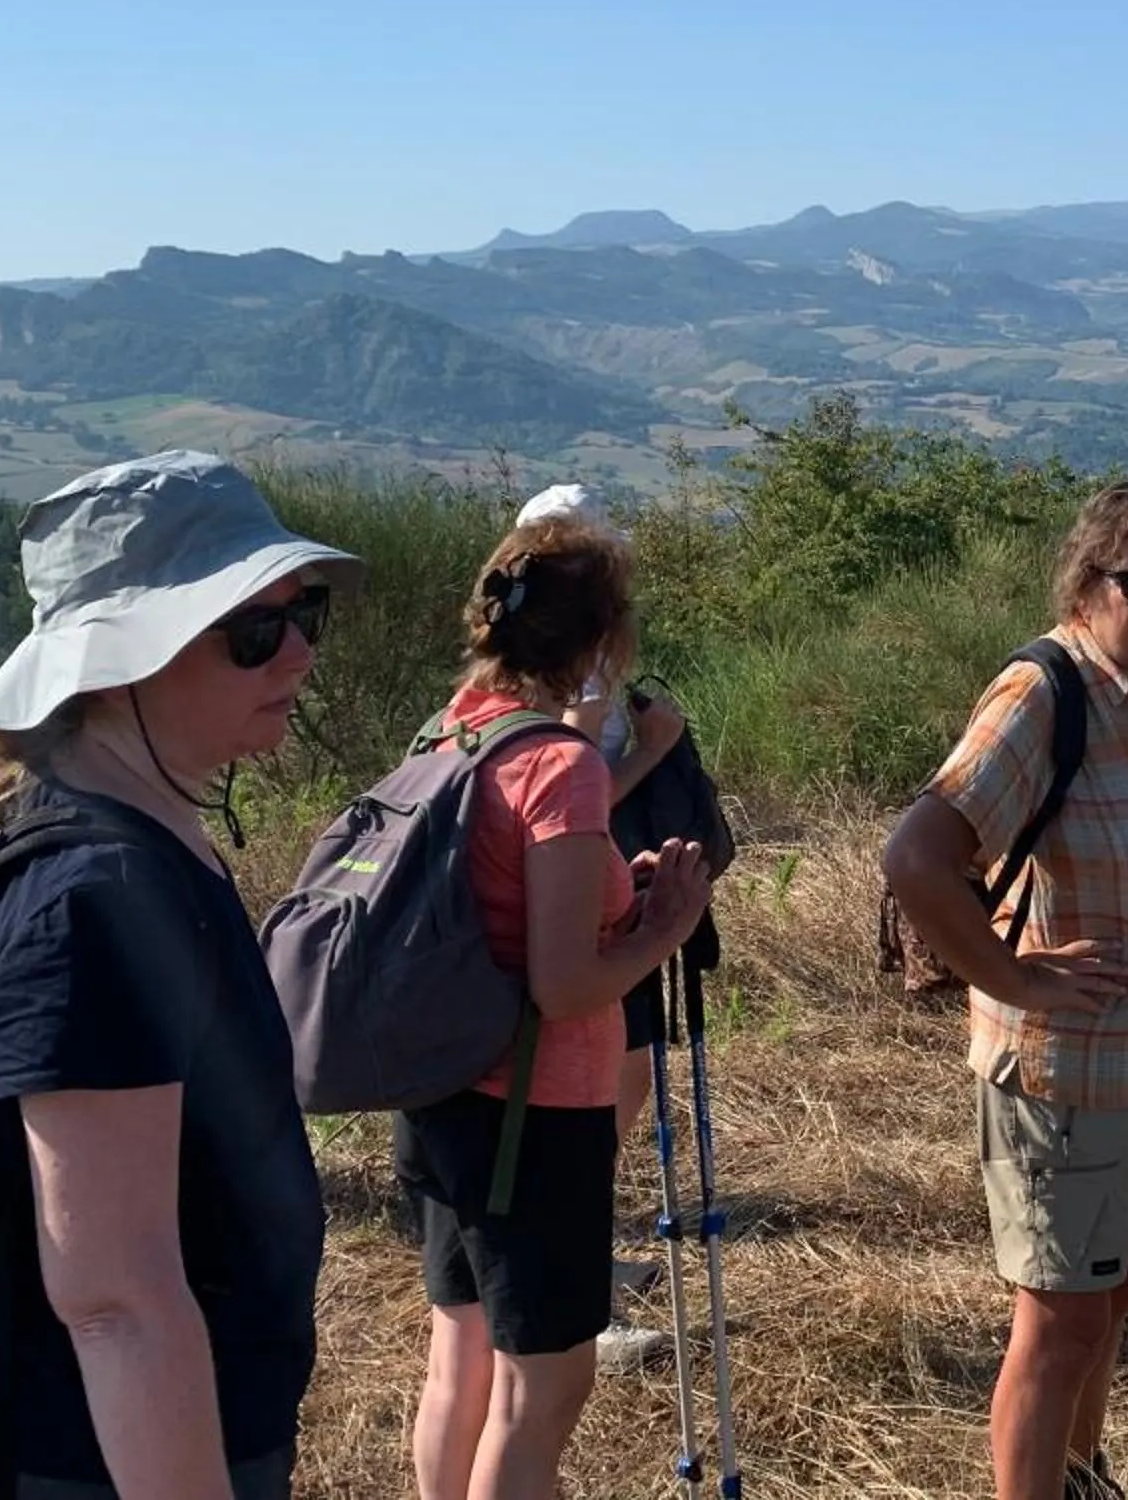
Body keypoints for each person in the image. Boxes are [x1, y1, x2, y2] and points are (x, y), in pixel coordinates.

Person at [0, 452, 359, 1498]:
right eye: (253, 630)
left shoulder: (146, 835)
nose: (297, 656)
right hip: (76, 1462)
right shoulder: (90, 901)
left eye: (305, 615)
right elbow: (114, 1299)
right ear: (118, 665)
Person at [880, 482, 1128, 1500]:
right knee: (1059, 1318)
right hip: (1066, 1074)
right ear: (1087, 583)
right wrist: (1010, 973)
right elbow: (916, 855)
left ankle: (1081, 1475)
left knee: (1114, 1290)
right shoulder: (1046, 694)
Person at [398, 513, 713, 1500]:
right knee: (543, 1389)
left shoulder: (455, 726)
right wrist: (668, 924)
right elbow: (566, 984)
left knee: (462, 1358)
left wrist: (625, 914)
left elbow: (511, 923)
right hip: (533, 1116)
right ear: (606, 640)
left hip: (445, 1091)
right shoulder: (560, 766)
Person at [511, 481, 694, 1372]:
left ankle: (588, 1267)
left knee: (600, 1103)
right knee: (600, 1102)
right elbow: (572, 794)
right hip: (589, 905)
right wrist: (658, 750)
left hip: (570, 899)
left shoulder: (499, 674)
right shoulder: (579, 671)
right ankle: (585, 1289)